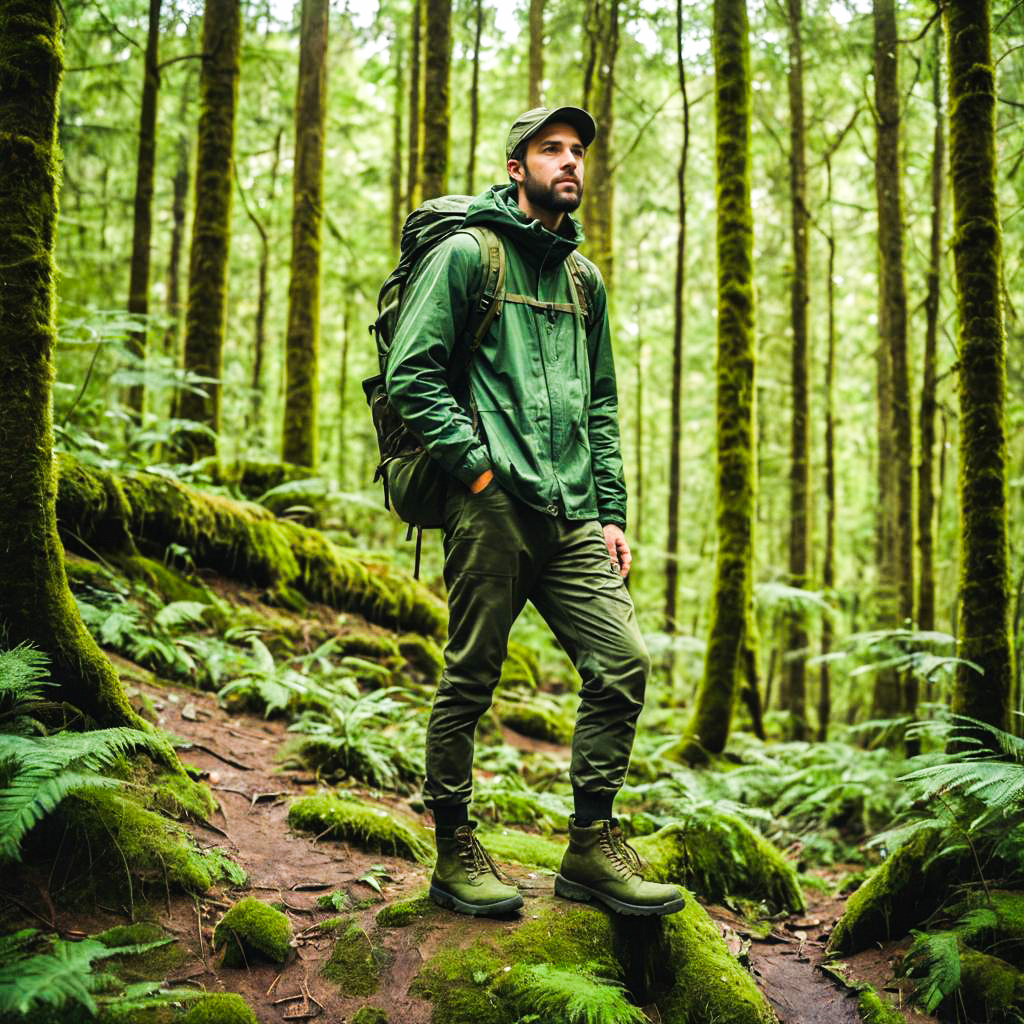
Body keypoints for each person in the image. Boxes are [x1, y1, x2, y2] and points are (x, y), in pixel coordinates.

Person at [386, 106, 684, 918]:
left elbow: (602, 407)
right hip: (491, 505)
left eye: (578, 150)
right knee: (473, 675)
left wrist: (612, 512)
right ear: (517, 167)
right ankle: (454, 849)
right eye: (550, 149)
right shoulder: (466, 255)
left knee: (621, 663)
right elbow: (412, 373)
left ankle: (590, 845)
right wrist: (477, 470)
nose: (569, 162)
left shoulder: (582, 281)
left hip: (574, 515)